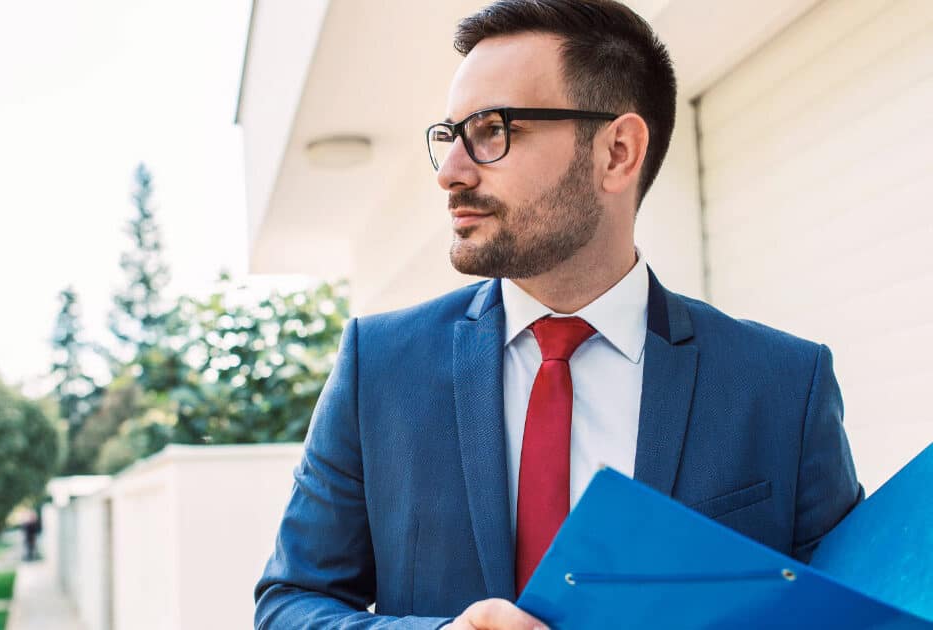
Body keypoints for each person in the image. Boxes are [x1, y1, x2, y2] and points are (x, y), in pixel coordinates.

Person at [254, 1, 863, 628]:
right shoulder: (378, 368)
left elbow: (850, 611)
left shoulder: (784, 383)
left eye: (493, 130)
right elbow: (290, 603)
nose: (452, 173)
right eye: (450, 137)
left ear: (617, 152)